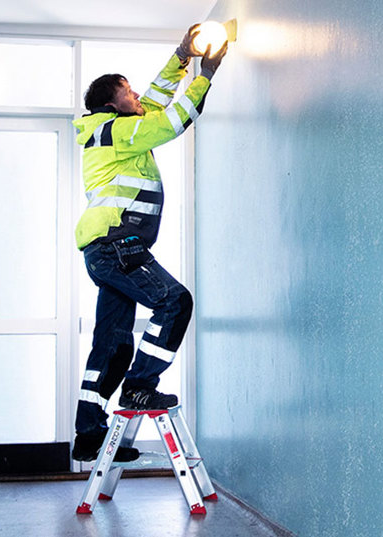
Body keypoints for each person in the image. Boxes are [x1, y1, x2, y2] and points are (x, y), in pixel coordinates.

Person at [70, 25, 229, 462]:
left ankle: (89, 435)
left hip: (108, 250)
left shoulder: (117, 127)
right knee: (175, 302)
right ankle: (140, 388)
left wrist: (181, 56)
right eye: (129, 92)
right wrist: (206, 74)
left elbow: (155, 101)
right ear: (111, 102)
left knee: (114, 342)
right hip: (117, 245)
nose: (137, 95)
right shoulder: (116, 131)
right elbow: (171, 121)